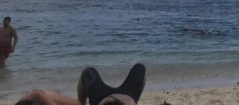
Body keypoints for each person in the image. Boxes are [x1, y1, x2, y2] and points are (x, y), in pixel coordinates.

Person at [14, 63, 146, 105]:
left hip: (101, 98)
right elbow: (38, 94)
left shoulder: (36, 97)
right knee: (140, 68)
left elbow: (38, 94)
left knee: (88, 72)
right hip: (124, 96)